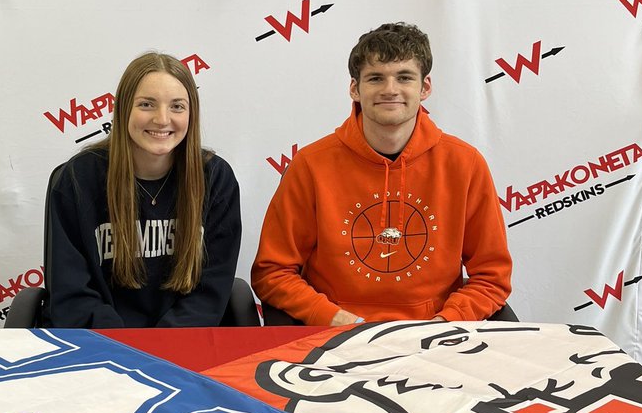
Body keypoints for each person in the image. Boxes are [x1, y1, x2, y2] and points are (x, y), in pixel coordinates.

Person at [251, 22, 512, 326]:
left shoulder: (465, 164)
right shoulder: (310, 164)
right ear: (355, 89)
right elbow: (272, 272)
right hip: (334, 335)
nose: (390, 90)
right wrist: (334, 319)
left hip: (436, 336)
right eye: (376, 78)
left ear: (425, 87)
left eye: (404, 77)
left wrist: (443, 325)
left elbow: (492, 277)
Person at [46, 52, 241, 328]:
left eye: (177, 106)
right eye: (147, 104)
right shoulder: (79, 179)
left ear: (191, 114)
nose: (162, 119)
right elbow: (72, 294)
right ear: (124, 109)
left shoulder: (216, 179)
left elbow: (211, 290)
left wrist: (164, 345)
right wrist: (129, 348)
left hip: (184, 345)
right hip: (104, 346)